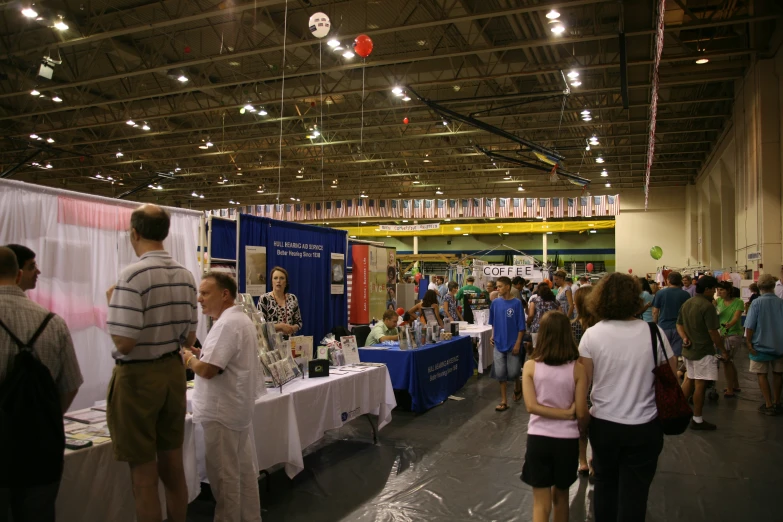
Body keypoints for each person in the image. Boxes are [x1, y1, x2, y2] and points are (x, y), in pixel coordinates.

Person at [105, 204, 198, 522]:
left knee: (143, 477)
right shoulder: (186, 276)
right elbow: (189, 341)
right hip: (173, 374)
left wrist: (112, 307)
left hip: (138, 379)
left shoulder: (131, 276)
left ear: (134, 233)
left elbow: (125, 342)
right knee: (173, 467)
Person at [578, 273, 677, 522]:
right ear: (635, 298)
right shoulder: (654, 333)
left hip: (605, 425)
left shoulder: (591, 335)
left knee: (604, 488)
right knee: (636, 495)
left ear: (599, 299)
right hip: (645, 426)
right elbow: (672, 376)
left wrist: (581, 423)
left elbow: (583, 384)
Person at [0, 246, 83, 522]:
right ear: (18, 273)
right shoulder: (53, 323)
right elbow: (71, 384)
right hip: (40, 446)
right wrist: (43, 415)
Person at [183, 273, 261, 522]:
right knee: (242, 474)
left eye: (205, 293)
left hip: (222, 414)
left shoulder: (228, 324)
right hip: (233, 411)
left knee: (225, 478)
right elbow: (220, 360)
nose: (199, 299)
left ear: (224, 294)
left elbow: (207, 370)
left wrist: (188, 358)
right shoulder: (238, 320)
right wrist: (201, 353)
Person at [521, 311, 588, 522]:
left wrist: (562, 413)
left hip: (538, 439)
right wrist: (568, 414)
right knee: (561, 497)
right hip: (566, 442)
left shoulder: (531, 366)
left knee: (540, 504)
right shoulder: (578, 370)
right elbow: (581, 411)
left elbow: (531, 406)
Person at [676, 275, 727, 430]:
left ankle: (678, 413)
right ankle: (697, 419)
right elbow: (713, 332)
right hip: (703, 351)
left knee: (689, 379)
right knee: (700, 384)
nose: (715, 292)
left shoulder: (688, 303)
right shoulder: (707, 306)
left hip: (689, 351)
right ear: (707, 289)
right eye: (714, 289)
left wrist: (685, 338)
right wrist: (723, 351)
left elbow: (679, 324)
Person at [745, 274, 783, 415]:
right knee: (778, 373)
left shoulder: (756, 303)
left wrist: (749, 342)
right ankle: (777, 401)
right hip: (780, 345)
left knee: (762, 374)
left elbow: (749, 326)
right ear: (773, 286)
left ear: (759, 287)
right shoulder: (781, 303)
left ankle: (768, 404)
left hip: (760, 346)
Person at [489, 277, 525, 412]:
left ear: (508, 287)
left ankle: (517, 385)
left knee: (514, 371)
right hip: (499, 343)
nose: (497, 289)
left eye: (500, 286)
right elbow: (493, 322)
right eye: (496, 286)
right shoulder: (495, 303)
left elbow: (521, 327)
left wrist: (518, 343)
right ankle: (504, 400)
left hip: (513, 343)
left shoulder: (516, 304)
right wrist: (493, 335)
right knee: (500, 373)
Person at [571, 285, 596, 477]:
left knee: (581, 422)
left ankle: (582, 461)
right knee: (598, 422)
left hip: (579, 382)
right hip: (600, 379)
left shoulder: (572, 327)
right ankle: (594, 460)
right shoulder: (601, 329)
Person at [651, 271, 691, 358]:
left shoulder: (660, 293)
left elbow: (655, 311)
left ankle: (665, 371)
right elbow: (688, 313)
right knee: (675, 354)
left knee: (663, 354)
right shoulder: (686, 295)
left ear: (668, 280)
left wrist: (655, 324)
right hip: (680, 328)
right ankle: (675, 371)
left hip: (664, 326)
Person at [715, 282, 743, 398]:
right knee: (729, 361)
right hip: (721, 334)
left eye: (721, 290)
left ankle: (730, 389)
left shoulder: (738, 302)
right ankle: (735, 384)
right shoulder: (718, 302)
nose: (719, 292)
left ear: (728, 291)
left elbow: (736, 317)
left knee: (726, 361)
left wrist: (729, 324)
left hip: (733, 334)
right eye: (718, 290)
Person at [258, 266, 303, 337]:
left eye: (282, 278)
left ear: (286, 282)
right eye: (275, 278)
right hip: (271, 344)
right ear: (272, 281)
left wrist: (292, 328)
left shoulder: (293, 298)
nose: (278, 281)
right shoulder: (264, 298)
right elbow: (260, 326)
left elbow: (299, 323)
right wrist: (280, 327)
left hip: (290, 343)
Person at [528, 282, 560, 347]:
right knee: (550, 349)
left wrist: (529, 324)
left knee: (537, 349)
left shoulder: (534, 300)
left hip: (537, 327)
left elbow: (531, 315)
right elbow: (561, 314)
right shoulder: (555, 301)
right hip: (552, 328)